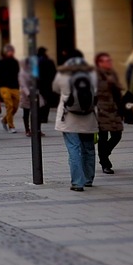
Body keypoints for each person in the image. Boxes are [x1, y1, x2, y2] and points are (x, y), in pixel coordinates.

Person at [53, 51, 98, 192]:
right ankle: (88, 179)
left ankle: (77, 183)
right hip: (88, 117)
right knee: (89, 149)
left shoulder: (63, 74)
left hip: (69, 118)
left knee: (74, 149)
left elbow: (55, 88)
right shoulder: (92, 74)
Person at [94, 52, 125, 175]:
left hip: (114, 109)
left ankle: (104, 154)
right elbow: (97, 91)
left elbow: (118, 90)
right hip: (102, 109)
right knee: (103, 137)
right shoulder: (95, 75)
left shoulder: (112, 73)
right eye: (106, 61)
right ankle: (105, 163)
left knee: (117, 135)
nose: (109, 63)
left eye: (110, 60)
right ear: (99, 63)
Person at [0, 44, 21, 133]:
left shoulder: (15, 62)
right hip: (4, 86)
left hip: (14, 86)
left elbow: (17, 73)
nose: (11, 53)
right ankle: (11, 126)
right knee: (10, 105)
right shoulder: (1, 62)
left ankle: (4, 119)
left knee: (15, 106)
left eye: (12, 51)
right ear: (5, 52)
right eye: (9, 51)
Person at [36, 48, 57, 126]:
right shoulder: (49, 61)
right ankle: (45, 117)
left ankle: (40, 116)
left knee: (40, 100)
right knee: (46, 101)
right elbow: (54, 73)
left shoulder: (37, 61)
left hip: (39, 84)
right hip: (48, 83)